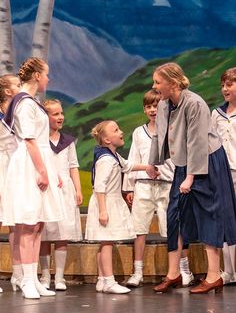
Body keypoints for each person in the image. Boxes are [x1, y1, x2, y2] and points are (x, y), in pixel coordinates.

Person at [146, 62, 236, 294]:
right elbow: (160, 134)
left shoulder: (195, 103)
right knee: (174, 215)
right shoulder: (165, 103)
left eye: (158, 82)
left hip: (206, 163)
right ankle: (173, 274)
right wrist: (152, 163)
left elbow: (197, 142)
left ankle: (214, 276)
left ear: (173, 83)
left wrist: (191, 177)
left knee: (209, 215)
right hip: (185, 164)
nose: (155, 87)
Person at [2, 57, 65, 299]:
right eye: (46, 74)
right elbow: (29, 140)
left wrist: (52, 170)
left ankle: (34, 278)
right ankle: (26, 280)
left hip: (40, 159)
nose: (48, 79)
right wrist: (41, 170)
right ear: (37, 75)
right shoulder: (24, 103)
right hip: (29, 163)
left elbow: (41, 141)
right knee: (27, 225)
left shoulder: (33, 103)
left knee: (38, 224)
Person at [123, 89, 194, 287]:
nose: (153, 110)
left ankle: (183, 269)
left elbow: (182, 157)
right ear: (145, 109)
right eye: (149, 106)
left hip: (168, 185)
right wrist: (129, 187)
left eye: (156, 106)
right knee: (139, 229)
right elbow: (133, 159)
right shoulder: (139, 132)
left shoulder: (172, 130)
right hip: (144, 185)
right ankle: (137, 272)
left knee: (174, 228)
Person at [85, 120, 158, 294]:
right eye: (116, 130)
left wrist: (146, 167)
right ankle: (109, 281)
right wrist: (103, 210)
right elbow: (99, 187)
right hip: (107, 203)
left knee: (105, 242)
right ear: (107, 140)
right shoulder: (106, 160)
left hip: (110, 202)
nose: (121, 132)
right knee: (107, 242)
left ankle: (102, 280)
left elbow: (128, 166)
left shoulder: (113, 156)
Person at [39, 99, 83, 291]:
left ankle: (59, 276)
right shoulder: (39, 141)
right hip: (47, 189)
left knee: (62, 234)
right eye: (55, 114)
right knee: (45, 234)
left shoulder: (67, 142)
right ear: (45, 117)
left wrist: (78, 189)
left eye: (61, 113)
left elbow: (73, 166)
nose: (60, 117)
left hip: (65, 189)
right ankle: (44, 275)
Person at [211, 67, 236, 285]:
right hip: (223, 173)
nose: (225, 89)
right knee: (227, 222)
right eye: (223, 85)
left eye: (229, 84)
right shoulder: (216, 114)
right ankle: (228, 271)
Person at [0, 74, 21, 293]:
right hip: (2, 169)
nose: (20, 87)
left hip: (16, 170)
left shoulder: (17, 115)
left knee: (18, 223)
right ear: (7, 91)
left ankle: (19, 273)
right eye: (17, 85)